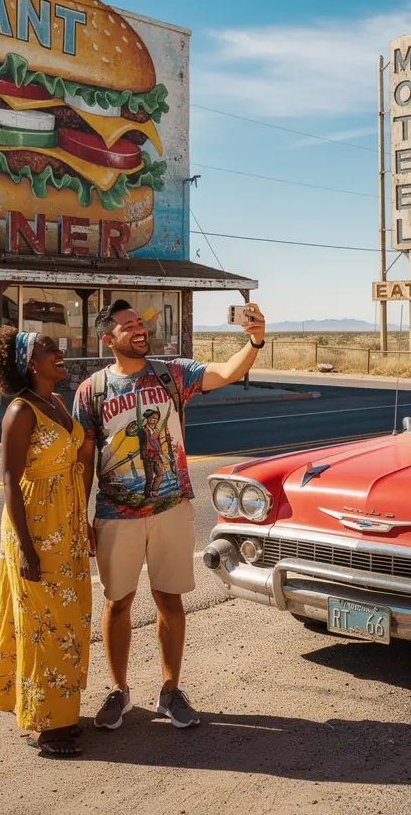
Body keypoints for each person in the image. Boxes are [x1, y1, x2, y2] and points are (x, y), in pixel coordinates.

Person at [73, 299, 266, 731]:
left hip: (171, 508)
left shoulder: (171, 374)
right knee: (117, 602)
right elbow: (84, 458)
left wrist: (254, 341)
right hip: (115, 513)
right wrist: (80, 517)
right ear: (108, 339)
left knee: (169, 599)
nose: (139, 329)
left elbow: (226, 372)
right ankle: (119, 690)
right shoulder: (92, 390)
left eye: (140, 323)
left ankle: (170, 690)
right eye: (127, 326)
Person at [0, 327, 93, 758]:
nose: (59, 353)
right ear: (29, 362)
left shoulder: (57, 403)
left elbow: (79, 454)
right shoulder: (20, 411)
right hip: (36, 526)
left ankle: (60, 712)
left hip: (67, 522)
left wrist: (83, 520)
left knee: (68, 619)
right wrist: (26, 548)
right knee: (44, 624)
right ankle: (46, 727)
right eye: (49, 349)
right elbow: (10, 481)